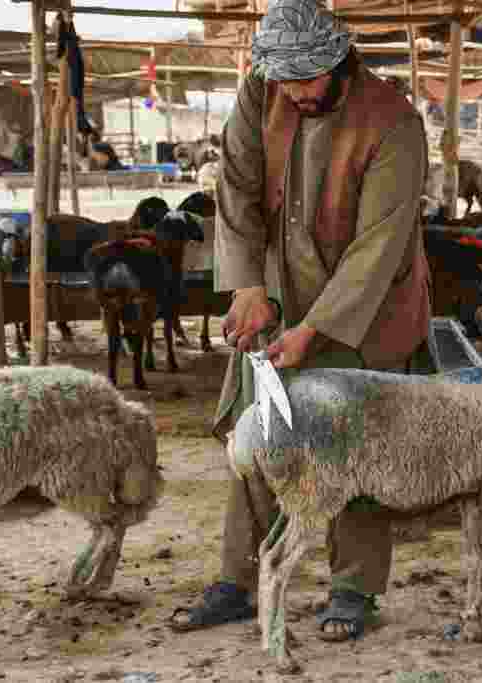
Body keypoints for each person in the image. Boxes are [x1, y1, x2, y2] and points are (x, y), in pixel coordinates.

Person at [168, 0, 431, 643]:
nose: (296, 93)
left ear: (340, 62)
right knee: (260, 434)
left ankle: (353, 589)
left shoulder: (393, 121)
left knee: (356, 447)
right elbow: (236, 190)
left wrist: (318, 328)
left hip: (364, 309)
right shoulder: (263, 93)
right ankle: (235, 580)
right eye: (285, 80)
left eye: (307, 80)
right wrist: (248, 287)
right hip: (278, 293)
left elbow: (379, 245)